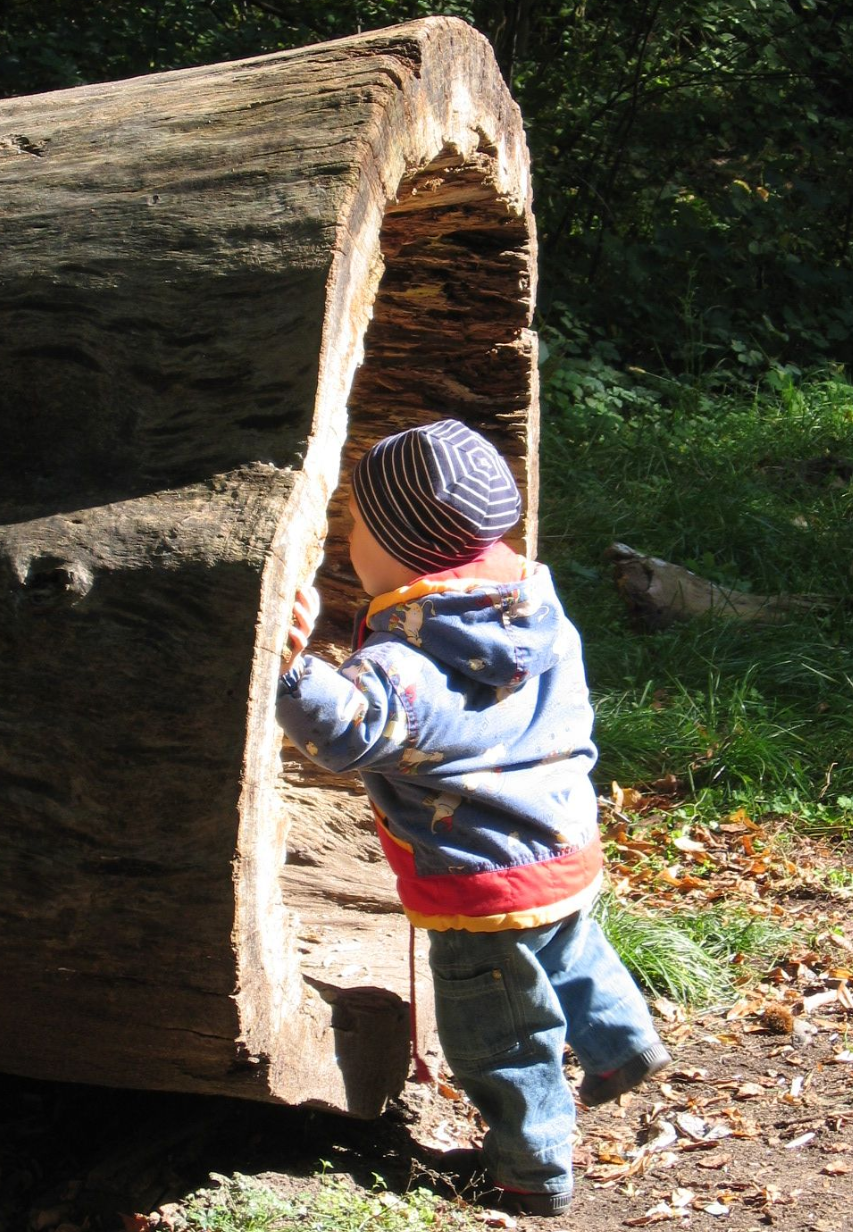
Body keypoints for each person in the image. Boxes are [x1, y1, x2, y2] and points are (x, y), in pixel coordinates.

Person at [276, 418, 670, 1217]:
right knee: (568, 948)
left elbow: (354, 729)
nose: (347, 539)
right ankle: (623, 1047)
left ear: (397, 546)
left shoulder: (407, 659)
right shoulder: (529, 605)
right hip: (560, 836)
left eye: (355, 525)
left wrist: (290, 671)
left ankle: (532, 1165)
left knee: (499, 1032)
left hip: (479, 876)